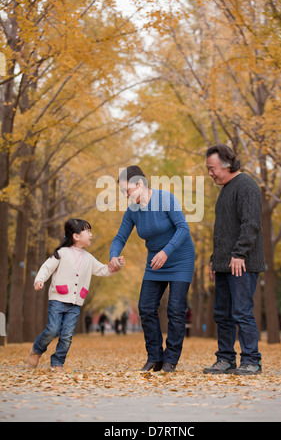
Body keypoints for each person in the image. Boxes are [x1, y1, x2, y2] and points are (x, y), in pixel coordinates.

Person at [109, 166, 195, 373]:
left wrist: (166, 252)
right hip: (155, 262)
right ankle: (155, 357)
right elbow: (120, 237)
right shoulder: (133, 211)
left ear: (139, 184)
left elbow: (183, 228)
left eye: (126, 190)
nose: (126, 195)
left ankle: (170, 360)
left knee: (175, 310)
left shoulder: (165, 198)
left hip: (179, 258)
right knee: (146, 308)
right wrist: (113, 256)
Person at [27, 218, 125, 371]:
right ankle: (37, 350)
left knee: (66, 335)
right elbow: (47, 268)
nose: (91, 235)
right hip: (58, 298)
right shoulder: (61, 253)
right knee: (52, 329)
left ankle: (57, 362)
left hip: (76, 303)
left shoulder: (88, 258)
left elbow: (103, 270)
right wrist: (39, 280)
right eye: (88, 232)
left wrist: (117, 265)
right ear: (76, 236)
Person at [203, 145, 266, 376]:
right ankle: (226, 360)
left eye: (212, 168)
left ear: (227, 165)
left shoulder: (246, 186)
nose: (210, 173)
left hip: (242, 263)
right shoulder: (226, 189)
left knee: (242, 312)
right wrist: (214, 259)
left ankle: (252, 361)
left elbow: (250, 225)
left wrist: (239, 254)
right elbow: (223, 230)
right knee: (222, 314)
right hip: (224, 265)